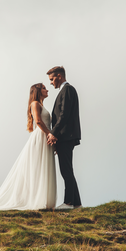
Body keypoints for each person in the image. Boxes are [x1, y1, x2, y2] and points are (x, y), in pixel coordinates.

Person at [0, 83, 57, 210]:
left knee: (44, 166)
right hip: (41, 136)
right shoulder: (35, 104)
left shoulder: (41, 105)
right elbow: (38, 121)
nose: (47, 89)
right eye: (44, 88)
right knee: (38, 166)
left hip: (46, 137)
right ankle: (36, 199)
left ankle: (43, 199)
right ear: (38, 91)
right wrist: (49, 133)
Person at [46, 66, 82, 210]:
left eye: (51, 79)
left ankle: (68, 203)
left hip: (66, 136)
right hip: (66, 137)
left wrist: (54, 133)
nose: (50, 83)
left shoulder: (67, 90)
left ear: (59, 76)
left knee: (65, 170)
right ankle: (77, 204)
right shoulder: (65, 91)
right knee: (68, 170)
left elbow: (64, 114)